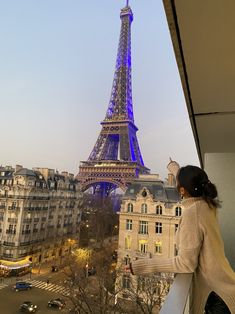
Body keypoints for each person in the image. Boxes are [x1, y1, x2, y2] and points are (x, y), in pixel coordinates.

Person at [128, 161, 235, 314]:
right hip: (225, 283)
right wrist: (175, 169)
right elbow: (191, 183)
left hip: (216, 296)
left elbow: (186, 264)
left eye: (178, 183)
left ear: (182, 190)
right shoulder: (207, 205)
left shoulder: (193, 214)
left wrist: (142, 266)